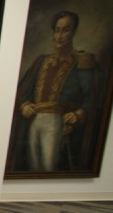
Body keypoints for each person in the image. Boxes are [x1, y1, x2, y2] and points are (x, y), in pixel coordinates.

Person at [7, 10, 101, 173]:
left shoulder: (82, 62)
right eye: (57, 30)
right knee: (32, 166)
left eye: (65, 30)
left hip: (56, 122)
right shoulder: (41, 61)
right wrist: (23, 105)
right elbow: (23, 91)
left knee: (49, 168)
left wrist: (80, 113)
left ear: (74, 32)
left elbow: (92, 95)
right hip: (35, 120)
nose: (60, 35)